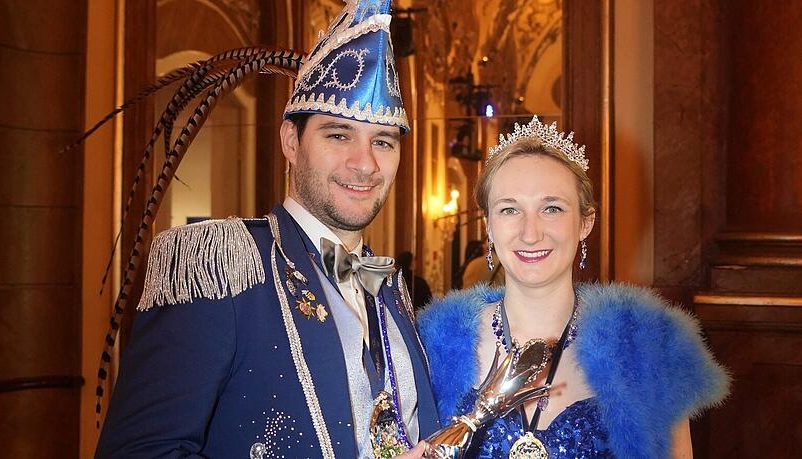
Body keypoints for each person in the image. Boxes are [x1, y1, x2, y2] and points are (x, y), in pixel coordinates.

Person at [95, 1, 438, 457]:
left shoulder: (391, 289)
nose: (365, 163)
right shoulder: (223, 265)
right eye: (338, 135)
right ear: (291, 142)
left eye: (382, 141)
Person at [418, 117, 729, 458]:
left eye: (551, 208)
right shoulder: (431, 348)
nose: (530, 232)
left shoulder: (646, 348)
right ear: (489, 226)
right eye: (510, 209)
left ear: (585, 222)